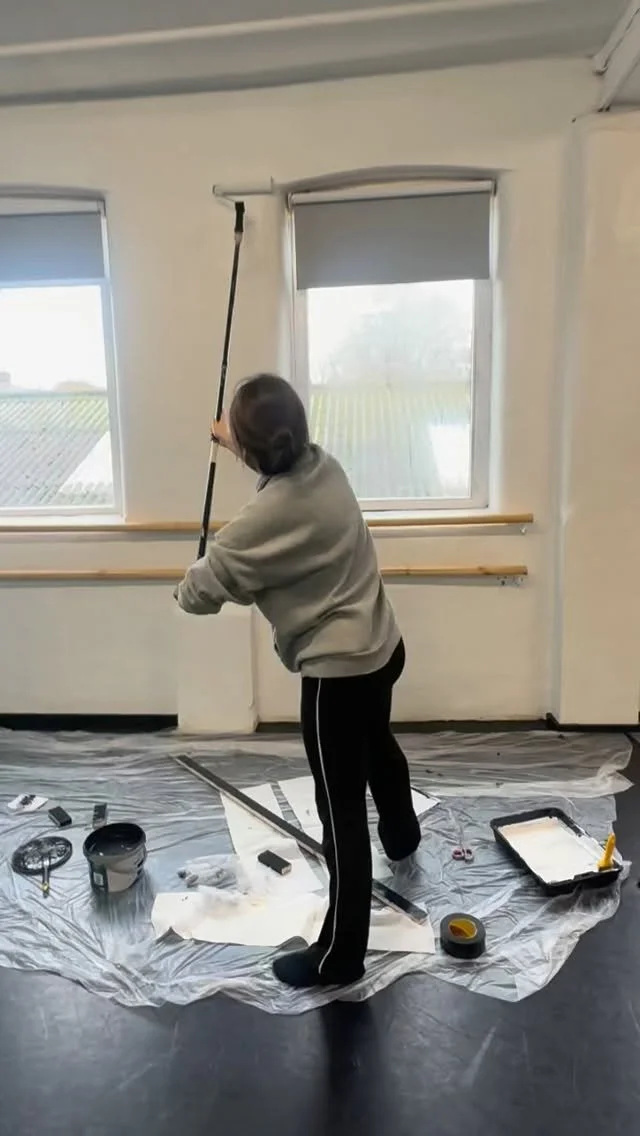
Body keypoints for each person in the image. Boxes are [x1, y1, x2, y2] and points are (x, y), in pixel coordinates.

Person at [176, 373, 420, 988]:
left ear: (253, 450)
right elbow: (273, 468)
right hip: (383, 646)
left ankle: (340, 955)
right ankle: (402, 835)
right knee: (378, 743)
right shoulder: (324, 466)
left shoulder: (264, 520)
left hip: (338, 676)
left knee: (340, 812)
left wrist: (191, 578)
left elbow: (199, 594)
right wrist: (233, 438)